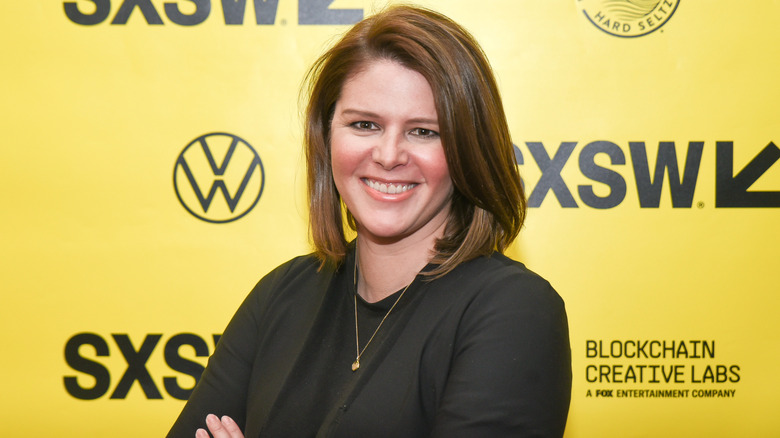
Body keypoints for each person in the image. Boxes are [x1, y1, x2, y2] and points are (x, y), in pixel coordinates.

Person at [168, 5, 571, 438]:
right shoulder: (282, 295)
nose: (388, 155)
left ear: (467, 150)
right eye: (365, 124)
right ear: (326, 136)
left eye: (423, 131)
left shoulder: (514, 310)